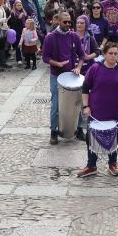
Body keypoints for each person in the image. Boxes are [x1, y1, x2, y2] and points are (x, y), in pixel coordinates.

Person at [79, 42, 118, 179]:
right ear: (104, 54)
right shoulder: (95, 68)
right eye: (110, 53)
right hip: (96, 111)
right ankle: (91, 165)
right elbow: (85, 88)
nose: (113, 56)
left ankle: (112, 163)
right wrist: (86, 106)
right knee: (91, 138)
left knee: (113, 137)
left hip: (115, 112)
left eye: (116, 54)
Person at [44, 10, 84, 145]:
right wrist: (57, 64)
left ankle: (79, 129)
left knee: (78, 103)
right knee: (56, 104)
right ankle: (54, 131)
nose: (67, 24)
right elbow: (45, 58)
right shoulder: (50, 37)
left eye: (69, 22)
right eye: (64, 22)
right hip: (56, 75)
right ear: (58, 21)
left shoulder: (74, 36)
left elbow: (82, 55)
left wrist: (78, 67)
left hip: (72, 76)